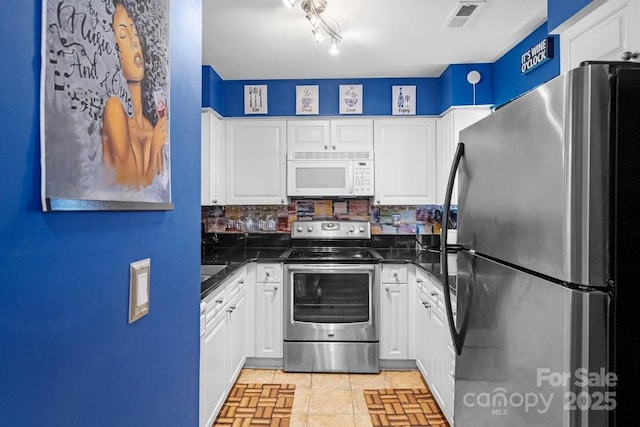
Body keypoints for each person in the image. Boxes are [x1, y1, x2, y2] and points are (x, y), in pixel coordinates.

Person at [102, 0, 167, 188]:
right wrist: (154, 147)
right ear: (114, 52)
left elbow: (158, 188)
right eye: (123, 36)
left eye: (135, 33)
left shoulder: (150, 125)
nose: (134, 42)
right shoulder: (114, 111)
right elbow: (131, 185)